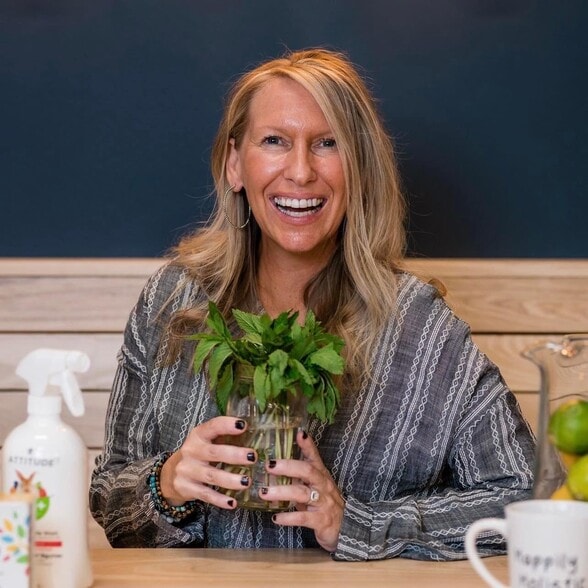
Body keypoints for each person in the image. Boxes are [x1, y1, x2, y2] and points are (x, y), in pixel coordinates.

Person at [90, 48, 535, 560]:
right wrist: (167, 483)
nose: (300, 172)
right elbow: (108, 498)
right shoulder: (172, 301)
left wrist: (356, 523)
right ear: (235, 164)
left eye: (328, 144)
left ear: (359, 169)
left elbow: (523, 499)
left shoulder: (422, 331)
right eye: (274, 141)